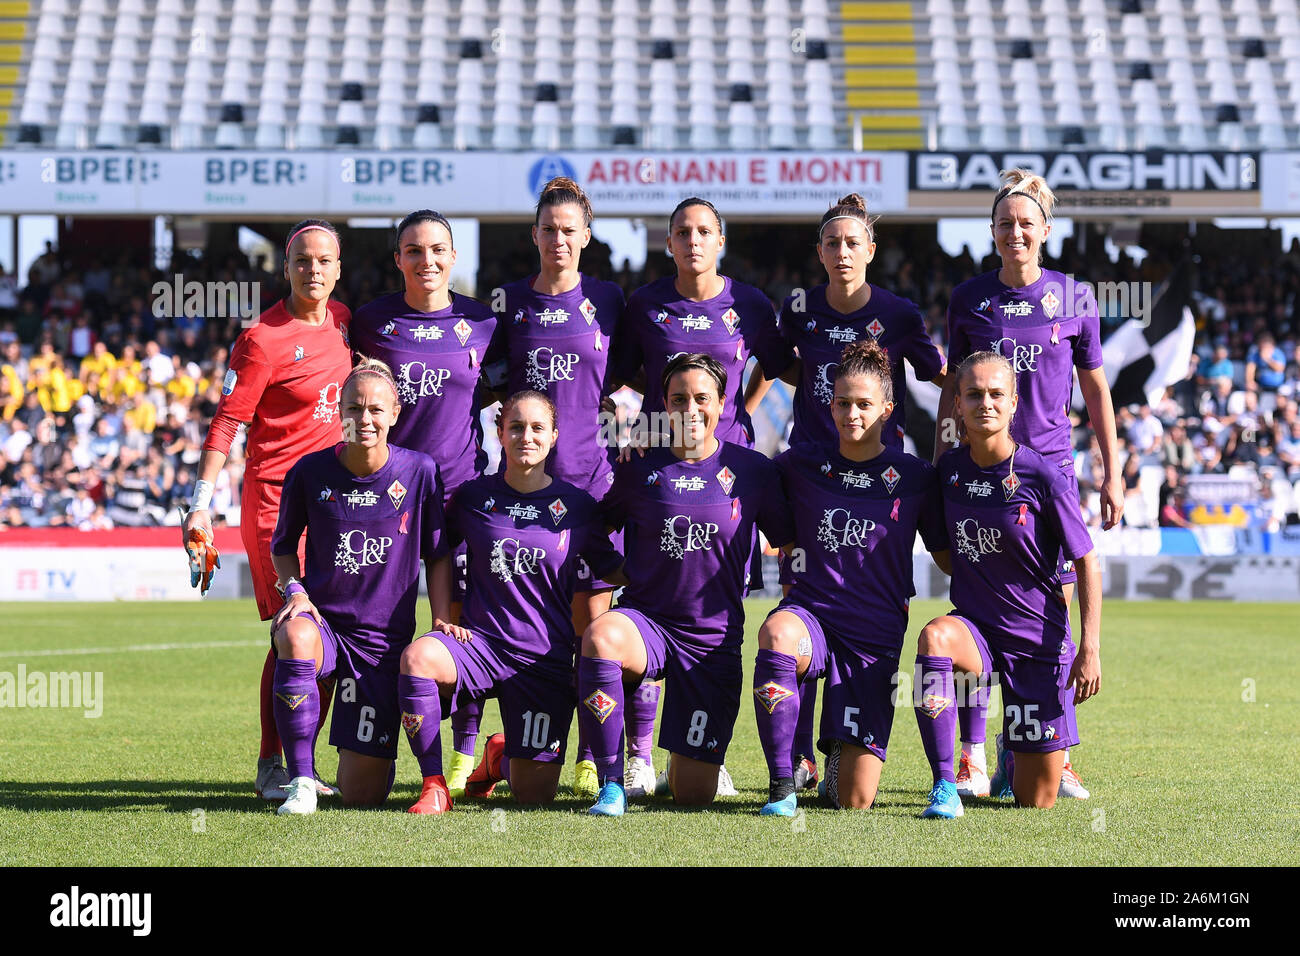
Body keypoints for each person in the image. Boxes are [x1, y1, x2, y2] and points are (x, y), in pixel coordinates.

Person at [933, 169, 1119, 800]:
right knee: (978, 601)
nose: (1016, 232)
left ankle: (1051, 751)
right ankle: (972, 756)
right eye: (1005, 223)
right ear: (992, 233)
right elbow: (952, 389)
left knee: (1052, 616)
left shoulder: (1074, 298)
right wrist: (940, 460)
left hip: (1050, 474)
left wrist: (1112, 471)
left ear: (1045, 231)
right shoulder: (969, 300)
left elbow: (1095, 389)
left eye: (1026, 223)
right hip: (981, 472)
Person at [611, 198, 795, 798]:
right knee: (653, 589)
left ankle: (698, 748)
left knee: (713, 599)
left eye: (704, 232)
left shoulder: (750, 305)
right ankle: (637, 754)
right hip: (663, 459)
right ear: (669, 242)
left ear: (721, 239)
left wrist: (736, 410)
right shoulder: (645, 303)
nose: (693, 241)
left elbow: (773, 364)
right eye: (682, 232)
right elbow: (626, 374)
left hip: (727, 469)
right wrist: (653, 423)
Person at [776, 193, 946, 790]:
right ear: (818, 251)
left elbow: (942, 376)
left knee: (869, 596)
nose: (843, 252)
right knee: (797, 606)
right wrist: (737, 424)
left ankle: (855, 743)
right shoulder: (799, 311)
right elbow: (772, 367)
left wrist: (946, 448)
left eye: (853, 242)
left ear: (871, 250)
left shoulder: (899, 314)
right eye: (832, 243)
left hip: (878, 485)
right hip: (814, 480)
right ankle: (793, 756)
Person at [575, 353, 795, 816]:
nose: (690, 410)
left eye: (701, 398)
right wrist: (617, 572)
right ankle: (613, 783)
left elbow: (790, 541)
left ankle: (680, 764)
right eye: (678, 399)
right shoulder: (639, 467)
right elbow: (594, 527)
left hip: (711, 640)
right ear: (663, 404)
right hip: (647, 624)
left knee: (693, 796)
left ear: (721, 403)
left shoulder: (753, 471)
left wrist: (795, 602)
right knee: (600, 637)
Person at [181, 219, 352, 801]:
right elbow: (229, 420)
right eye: (302, 260)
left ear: (337, 267)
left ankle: (301, 760)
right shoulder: (262, 338)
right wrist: (200, 506)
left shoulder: (345, 323)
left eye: (324, 260)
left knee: (328, 633)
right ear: (286, 268)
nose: (313, 270)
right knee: (294, 628)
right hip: (278, 504)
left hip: (337, 507)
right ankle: (272, 764)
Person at [397, 390, 625, 812]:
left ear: (554, 436)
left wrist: (670, 574)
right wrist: (442, 615)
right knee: (417, 660)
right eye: (516, 427)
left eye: (538, 428)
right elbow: (440, 550)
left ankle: (498, 757)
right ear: (499, 432)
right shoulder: (472, 498)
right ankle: (434, 786)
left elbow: (611, 569)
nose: (526, 436)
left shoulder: (577, 506)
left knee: (533, 797)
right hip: (480, 648)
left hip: (544, 660)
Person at [756, 340, 948, 816]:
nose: (851, 414)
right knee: (777, 632)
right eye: (843, 403)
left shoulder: (915, 476)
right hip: (811, 619)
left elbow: (949, 555)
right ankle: (783, 784)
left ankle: (834, 761)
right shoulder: (800, 464)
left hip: (874, 638)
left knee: (854, 802)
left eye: (864, 404)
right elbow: (740, 473)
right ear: (830, 403)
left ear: (887, 407)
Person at [350, 210, 504, 797]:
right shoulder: (369, 322)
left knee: (458, 622)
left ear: (454, 255)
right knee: (380, 624)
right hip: (385, 501)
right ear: (398, 259)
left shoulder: (483, 322)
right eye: (413, 250)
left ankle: (464, 753)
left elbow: (507, 391)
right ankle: (367, 737)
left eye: (437, 249)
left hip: (462, 494)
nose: (427, 260)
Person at [915, 351, 1101, 817]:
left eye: (997, 394)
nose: (985, 403)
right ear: (956, 404)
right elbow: (944, 555)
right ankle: (944, 786)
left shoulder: (1042, 474)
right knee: (935, 637)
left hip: (1037, 643)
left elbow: (1086, 559)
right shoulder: (948, 473)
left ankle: (1009, 752)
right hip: (976, 633)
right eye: (973, 394)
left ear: (1015, 402)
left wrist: (1090, 647)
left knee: (1035, 800)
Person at [267, 359, 452, 814]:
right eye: (354, 408)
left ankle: (352, 767)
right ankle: (302, 782)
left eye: (375, 410)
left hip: (381, 646)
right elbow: (283, 546)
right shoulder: (310, 472)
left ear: (394, 414)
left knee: (363, 796)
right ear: (339, 412)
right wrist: (297, 592)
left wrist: (443, 618)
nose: (364, 419)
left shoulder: (420, 472)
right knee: (295, 632)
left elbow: (439, 554)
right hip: (325, 626)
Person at [497, 177, 628, 800]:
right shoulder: (509, 305)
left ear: (587, 235)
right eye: (548, 229)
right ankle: (491, 748)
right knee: (523, 626)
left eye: (569, 229)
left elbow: (633, 379)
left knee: (590, 628)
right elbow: (486, 386)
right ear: (535, 235)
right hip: (526, 495)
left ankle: (591, 754)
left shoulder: (610, 300)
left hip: (593, 489)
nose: (558, 239)